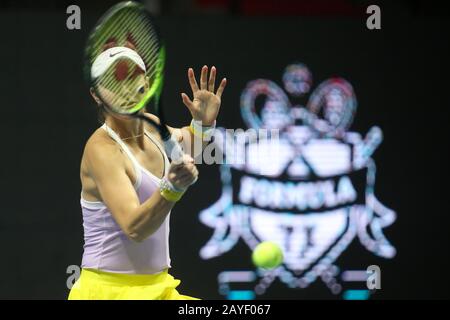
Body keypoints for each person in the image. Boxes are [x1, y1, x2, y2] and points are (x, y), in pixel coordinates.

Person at [68, 45, 227, 299]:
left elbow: (190, 144)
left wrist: (203, 124)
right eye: (113, 80)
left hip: (158, 287)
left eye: (133, 76)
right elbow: (135, 228)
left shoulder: (153, 128)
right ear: (96, 95)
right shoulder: (102, 149)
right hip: (108, 292)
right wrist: (172, 188)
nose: (126, 86)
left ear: (147, 82)